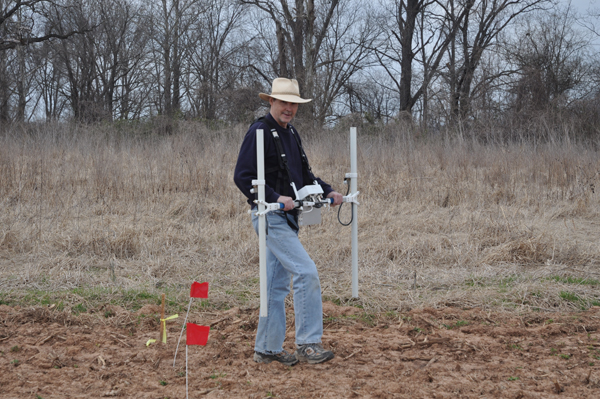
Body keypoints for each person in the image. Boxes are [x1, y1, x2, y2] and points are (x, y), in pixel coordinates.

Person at [234, 78, 343, 366]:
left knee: (276, 286)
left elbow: (304, 176)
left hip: (288, 219)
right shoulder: (258, 132)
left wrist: (328, 190)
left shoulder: (291, 133)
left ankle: (267, 350)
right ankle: (308, 344)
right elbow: (243, 177)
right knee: (306, 272)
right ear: (271, 101)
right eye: (284, 102)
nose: (289, 108)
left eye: (293, 103)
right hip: (271, 217)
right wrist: (274, 196)